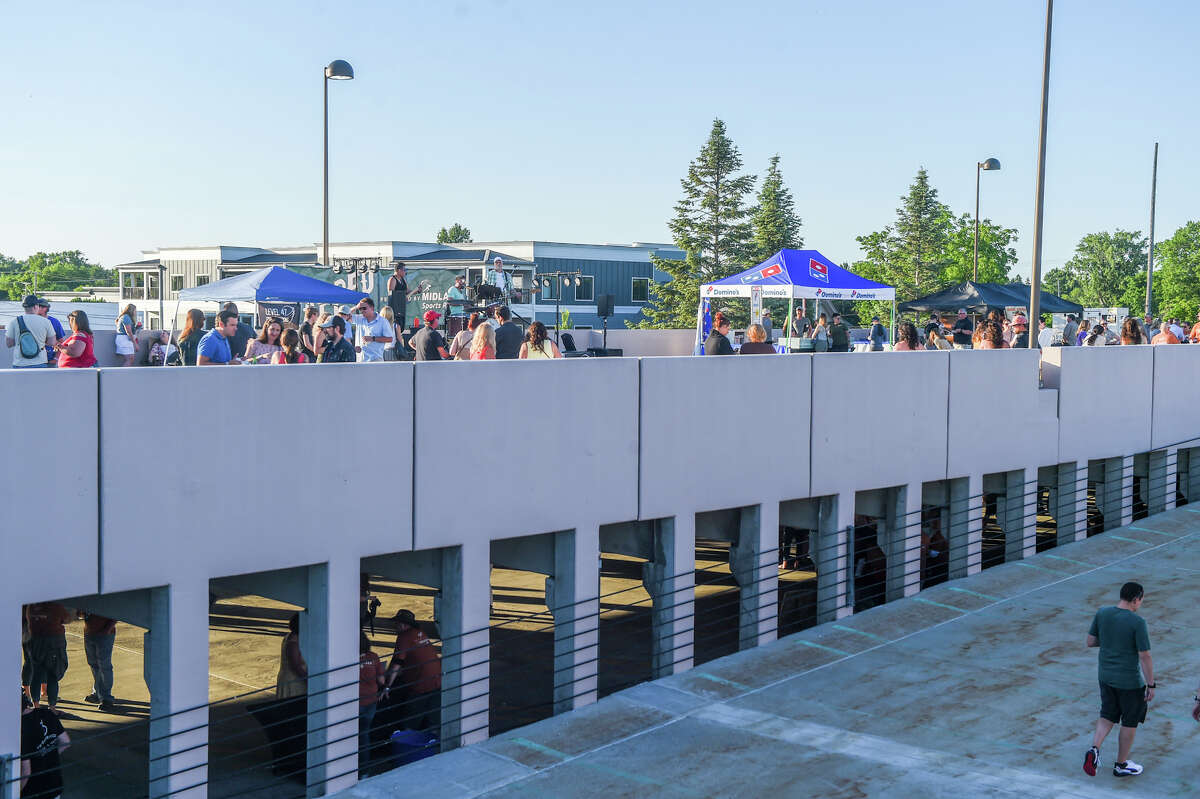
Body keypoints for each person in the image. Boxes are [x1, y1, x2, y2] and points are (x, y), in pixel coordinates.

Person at [1084, 582, 1153, 778]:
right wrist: (1151, 684)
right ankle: (1121, 764)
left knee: (1107, 715)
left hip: (1105, 677)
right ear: (1136, 599)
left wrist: (1110, 641)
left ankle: (1094, 749)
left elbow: (1090, 641)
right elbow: (1145, 656)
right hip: (1130, 682)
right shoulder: (1137, 622)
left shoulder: (1103, 613)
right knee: (1129, 721)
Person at [385, 610, 442, 732]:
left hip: (421, 684)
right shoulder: (420, 632)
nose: (395, 627)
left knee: (411, 720)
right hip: (437, 681)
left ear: (403, 624)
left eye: (396, 623)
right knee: (433, 719)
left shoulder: (404, 637)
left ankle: (406, 741)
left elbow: (397, 664)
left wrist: (387, 686)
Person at [25, 603, 71, 715]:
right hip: (54, 643)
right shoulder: (55, 605)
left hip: (35, 641)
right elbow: (67, 619)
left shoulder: (31, 606)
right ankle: (52, 708)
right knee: (53, 675)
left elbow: (28, 620)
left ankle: (36, 707)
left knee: (36, 675)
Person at [21, 702, 70, 799]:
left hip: (34, 789)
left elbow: (26, 771)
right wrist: (49, 755)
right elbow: (66, 742)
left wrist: (14, 793)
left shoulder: (20, 729)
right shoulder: (47, 713)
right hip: (54, 783)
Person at [6, 295, 58, 369]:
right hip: (40, 362)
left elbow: (9, 343)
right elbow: (52, 342)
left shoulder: (15, 321)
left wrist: (22, 341)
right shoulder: (46, 322)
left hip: (20, 363)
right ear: (36, 306)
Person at [82, 612, 117, 712]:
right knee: (93, 664)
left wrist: (106, 630)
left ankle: (106, 698)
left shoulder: (105, 598)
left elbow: (116, 614)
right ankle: (97, 692)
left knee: (104, 666)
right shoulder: (87, 598)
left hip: (104, 635)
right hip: (89, 633)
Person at [359, 633, 385, 757]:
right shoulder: (374, 657)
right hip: (371, 700)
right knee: (364, 734)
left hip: (354, 702)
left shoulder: (347, 657)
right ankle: (364, 769)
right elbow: (381, 680)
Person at [347, 298, 393, 363]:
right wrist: (356, 307)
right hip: (360, 360)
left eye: (364, 308)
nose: (362, 310)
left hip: (375, 360)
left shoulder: (382, 321)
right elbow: (345, 315)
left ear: (372, 308)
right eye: (360, 309)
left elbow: (390, 339)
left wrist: (373, 338)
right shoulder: (359, 318)